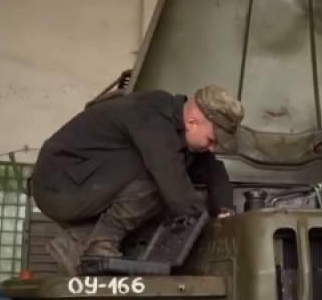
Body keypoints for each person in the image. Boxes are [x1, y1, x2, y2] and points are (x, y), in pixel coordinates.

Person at [31, 85, 244, 275]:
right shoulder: (152, 114)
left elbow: (214, 170)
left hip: (86, 182)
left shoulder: (178, 131)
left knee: (172, 178)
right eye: (211, 140)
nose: (212, 148)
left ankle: (77, 242)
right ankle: (101, 243)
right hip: (61, 181)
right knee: (162, 178)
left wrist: (224, 212)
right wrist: (202, 227)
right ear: (192, 122)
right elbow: (174, 188)